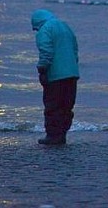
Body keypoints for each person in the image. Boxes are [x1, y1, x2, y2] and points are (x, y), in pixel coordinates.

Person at [31, 9, 79, 146]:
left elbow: (46, 51)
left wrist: (42, 69)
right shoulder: (65, 26)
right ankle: (62, 134)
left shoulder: (44, 30)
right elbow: (75, 50)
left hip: (55, 75)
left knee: (52, 105)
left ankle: (52, 136)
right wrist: (73, 65)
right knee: (67, 106)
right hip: (72, 73)